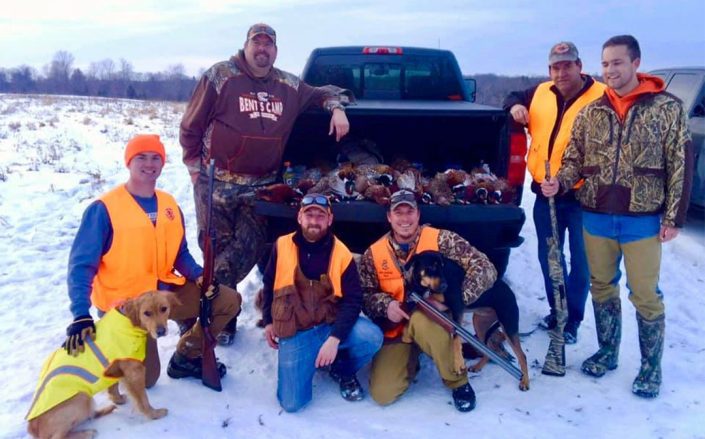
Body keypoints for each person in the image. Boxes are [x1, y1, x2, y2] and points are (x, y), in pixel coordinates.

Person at [180, 23, 352, 346]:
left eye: (268, 44)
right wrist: (193, 167)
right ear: (246, 46)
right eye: (256, 43)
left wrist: (338, 109)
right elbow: (191, 125)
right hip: (215, 182)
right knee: (213, 249)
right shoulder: (220, 76)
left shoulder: (288, 85)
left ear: (275, 50)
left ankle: (200, 313)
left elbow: (327, 91)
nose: (262, 49)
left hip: (260, 188)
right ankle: (221, 319)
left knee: (243, 251)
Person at [542, 35, 693, 398]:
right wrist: (560, 183)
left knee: (644, 294)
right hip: (594, 215)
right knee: (602, 286)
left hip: (641, 217)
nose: (610, 70)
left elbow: (681, 164)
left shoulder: (666, 108)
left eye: (617, 62)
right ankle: (608, 352)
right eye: (605, 63)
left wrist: (674, 216)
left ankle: (650, 368)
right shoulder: (592, 110)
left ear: (636, 63)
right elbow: (574, 157)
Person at [64, 134, 242, 387]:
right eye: (141, 157)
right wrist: (80, 313)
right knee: (145, 380)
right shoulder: (103, 209)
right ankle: (108, 344)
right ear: (128, 162)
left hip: (165, 296)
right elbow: (81, 266)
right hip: (128, 307)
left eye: (156, 157)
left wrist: (199, 275)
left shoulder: (169, 204)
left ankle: (187, 354)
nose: (150, 163)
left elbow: (180, 253)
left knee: (227, 300)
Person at [358, 190, 498, 412]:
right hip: (396, 329)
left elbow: (485, 268)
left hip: (432, 319)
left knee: (425, 323)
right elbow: (364, 296)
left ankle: (457, 381)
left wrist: (456, 301)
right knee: (383, 394)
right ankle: (413, 356)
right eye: (398, 212)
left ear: (418, 214)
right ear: (389, 217)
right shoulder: (373, 254)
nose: (405, 219)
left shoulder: (441, 239)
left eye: (410, 211)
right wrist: (386, 305)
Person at [504, 41, 606, 344]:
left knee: (581, 260)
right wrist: (514, 106)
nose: (561, 72)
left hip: (583, 197)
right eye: (555, 66)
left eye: (567, 65)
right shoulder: (540, 93)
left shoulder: (601, 96)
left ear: (579, 66)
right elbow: (511, 97)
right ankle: (556, 310)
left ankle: (572, 319)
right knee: (550, 258)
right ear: (550, 69)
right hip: (545, 194)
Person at [261, 194, 382, 412]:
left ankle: (342, 368)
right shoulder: (281, 246)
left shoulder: (342, 253)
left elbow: (353, 300)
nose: (314, 221)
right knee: (292, 403)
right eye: (309, 215)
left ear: (329, 219)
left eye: (320, 216)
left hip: (329, 326)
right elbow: (269, 285)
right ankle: (308, 359)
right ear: (299, 217)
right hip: (296, 331)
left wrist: (335, 339)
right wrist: (268, 321)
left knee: (372, 336)